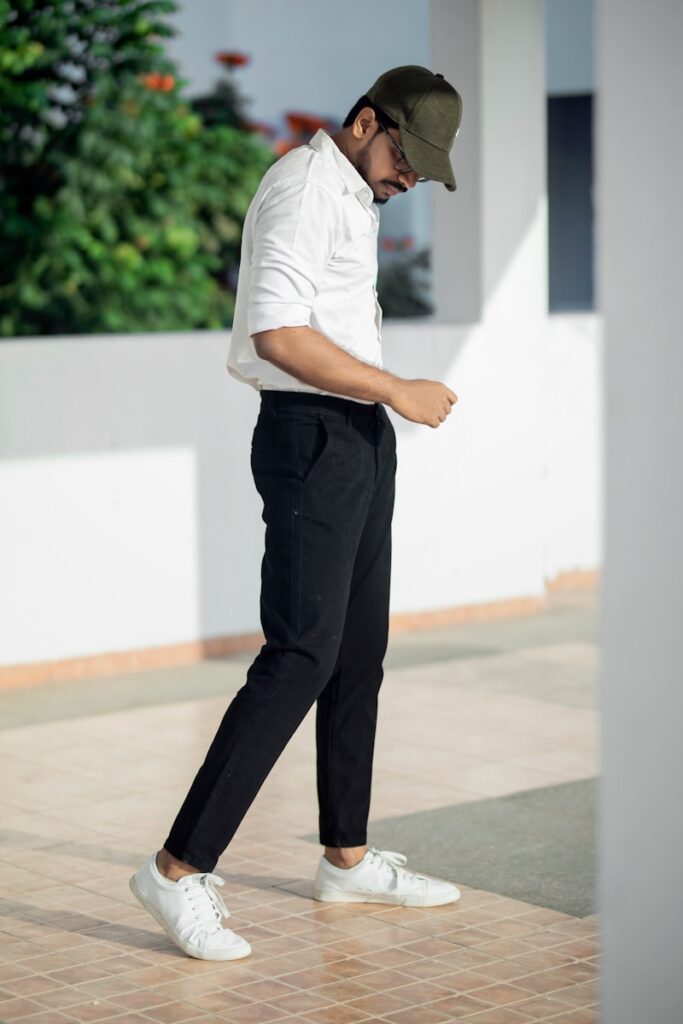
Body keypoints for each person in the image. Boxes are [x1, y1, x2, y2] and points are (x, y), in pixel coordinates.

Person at [130, 65, 463, 962]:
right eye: (407, 157)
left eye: (425, 170)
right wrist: (395, 390)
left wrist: (380, 410)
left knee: (357, 655)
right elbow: (277, 334)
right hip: (312, 434)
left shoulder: (352, 193)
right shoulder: (304, 188)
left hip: (354, 436)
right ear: (365, 122)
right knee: (300, 658)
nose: (411, 179)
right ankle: (174, 870)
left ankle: (346, 858)